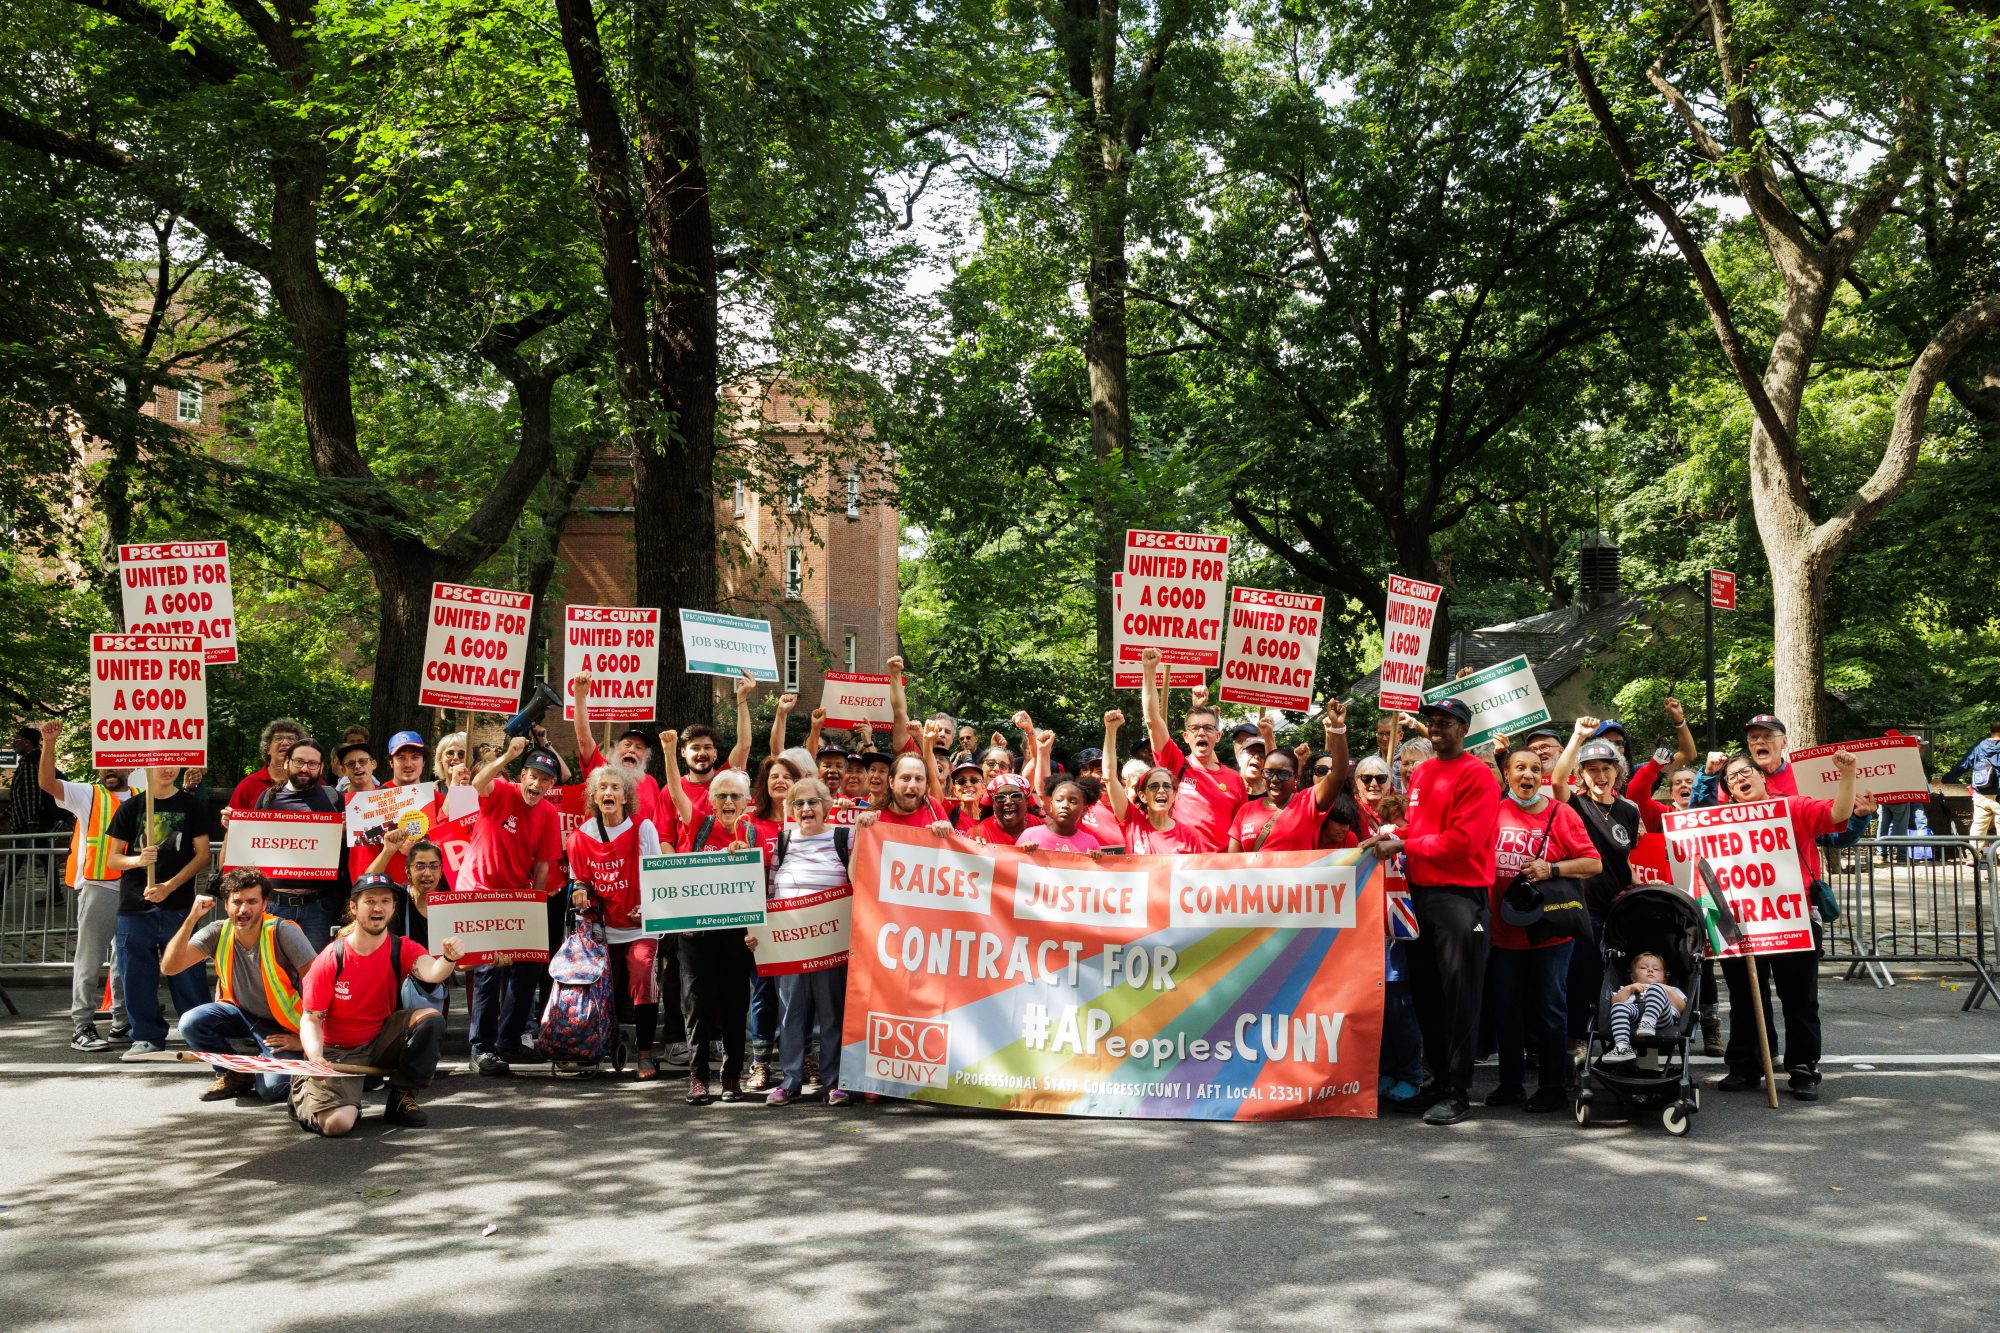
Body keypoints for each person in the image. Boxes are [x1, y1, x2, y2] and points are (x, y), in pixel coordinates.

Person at [1361, 695, 1500, 1126]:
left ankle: (1458, 1090)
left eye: (1446, 722)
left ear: (1464, 728)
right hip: (1420, 895)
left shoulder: (1478, 775)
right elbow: (1425, 831)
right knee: (1427, 993)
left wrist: (1403, 842)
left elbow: (1463, 841)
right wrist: (1392, 833)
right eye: (1432, 721)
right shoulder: (1421, 771)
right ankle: (1438, 1083)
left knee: (1459, 996)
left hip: (1460, 898)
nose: (1437, 727)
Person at [1707, 748, 1855, 1100]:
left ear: (1763, 777)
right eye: (1732, 778)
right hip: (1739, 923)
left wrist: (1847, 775)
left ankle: (1803, 1068)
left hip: (1794, 917)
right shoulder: (1720, 820)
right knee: (1744, 999)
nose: (1740, 779)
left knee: (1799, 999)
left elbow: (1837, 813)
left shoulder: (1793, 806)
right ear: (1728, 791)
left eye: (1746, 772)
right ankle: (1746, 1065)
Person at [292, 874, 462, 1135]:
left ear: (393, 908)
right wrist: (315, 1058)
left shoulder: (402, 947)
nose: (378, 908)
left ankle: (402, 1097)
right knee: (338, 1125)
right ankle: (303, 1092)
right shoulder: (331, 958)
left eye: (385, 901)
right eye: (369, 901)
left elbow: (432, 972)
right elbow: (311, 1018)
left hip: (381, 1041)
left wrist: (448, 959)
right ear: (353, 908)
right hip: (338, 1052)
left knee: (430, 1019)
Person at [1486, 749, 1601, 1112]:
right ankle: (1510, 1085)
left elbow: (1593, 863)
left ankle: (1552, 1087)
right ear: (1506, 775)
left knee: (1551, 1009)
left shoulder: (1561, 813)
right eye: (1520, 768)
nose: (1529, 775)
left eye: (1536, 769)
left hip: (1551, 935)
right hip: (1503, 934)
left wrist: (1551, 870)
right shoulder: (1492, 812)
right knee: (1506, 1011)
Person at [661, 737, 758, 1105]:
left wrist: (744, 851)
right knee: (695, 1004)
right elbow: (673, 790)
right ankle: (698, 1076)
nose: (729, 803)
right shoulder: (699, 823)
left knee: (734, 1005)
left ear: (747, 802)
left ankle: (731, 1075)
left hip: (736, 937)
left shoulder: (753, 833)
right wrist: (671, 752)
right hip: (695, 933)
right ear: (712, 801)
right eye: (722, 797)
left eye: (736, 797)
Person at [163, 869, 316, 1103]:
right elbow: (169, 967)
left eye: (252, 901)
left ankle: (282, 1064)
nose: (244, 909)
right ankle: (235, 1073)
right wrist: (191, 918)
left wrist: (304, 1039)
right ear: (226, 904)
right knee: (190, 1022)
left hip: (284, 1027)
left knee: (272, 1091)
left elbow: (318, 986)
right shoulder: (217, 931)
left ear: (265, 903)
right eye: (237, 902)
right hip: (241, 1014)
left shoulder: (282, 931)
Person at [748, 778, 853, 1106]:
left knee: (832, 1013)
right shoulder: (782, 841)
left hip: (830, 943)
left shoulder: (843, 837)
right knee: (790, 1012)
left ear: (827, 805)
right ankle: (791, 1081)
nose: (806, 809)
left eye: (813, 802)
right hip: (789, 943)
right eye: (799, 804)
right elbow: (768, 892)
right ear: (790, 810)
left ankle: (834, 1082)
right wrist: (757, 934)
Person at [461, 737, 562, 1076]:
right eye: (533, 776)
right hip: (479, 891)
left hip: (517, 897)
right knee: (490, 969)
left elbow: (545, 864)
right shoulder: (502, 791)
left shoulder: (548, 813)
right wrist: (508, 754)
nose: (538, 784)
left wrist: (533, 903)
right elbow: (477, 782)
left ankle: (509, 1040)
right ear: (522, 776)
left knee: (529, 967)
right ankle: (482, 1048)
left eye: (546, 780)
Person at [36, 720, 134, 1051]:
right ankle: (82, 1025)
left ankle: (122, 1021)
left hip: (132, 889)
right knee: (89, 959)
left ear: (129, 766)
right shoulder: (88, 793)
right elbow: (47, 783)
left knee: (125, 959)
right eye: (104, 761)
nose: (109, 768)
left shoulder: (140, 797)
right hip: (98, 887)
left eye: (117, 762)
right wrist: (48, 744)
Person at [566, 763, 667, 1080]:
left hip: (640, 927)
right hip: (602, 931)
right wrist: (580, 892)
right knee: (600, 989)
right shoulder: (580, 837)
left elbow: (658, 876)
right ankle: (601, 1045)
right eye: (603, 788)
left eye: (615, 787)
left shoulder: (643, 829)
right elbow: (578, 882)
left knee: (642, 977)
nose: (608, 792)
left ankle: (646, 1054)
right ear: (594, 796)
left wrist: (649, 905)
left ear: (626, 796)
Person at [106, 765, 215, 1059]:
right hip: (134, 905)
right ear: (148, 767)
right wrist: (139, 861)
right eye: (161, 764)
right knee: (136, 974)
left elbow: (203, 855)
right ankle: (146, 1036)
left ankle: (200, 1034)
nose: (168, 770)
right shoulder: (131, 807)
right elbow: (114, 859)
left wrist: (169, 885)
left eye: (173, 764)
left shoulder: (191, 805)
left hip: (178, 906)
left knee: (188, 972)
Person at [239, 736, 344, 949]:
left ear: (321, 767)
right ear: (287, 762)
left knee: (314, 974)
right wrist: (234, 827)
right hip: (276, 905)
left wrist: (344, 833)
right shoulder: (268, 798)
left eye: (312, 764)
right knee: (273, 972)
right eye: (299, 762)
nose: (305, 768)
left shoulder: (334, 798)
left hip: (319, 908)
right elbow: (252, 845)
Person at [1139, 648, 1246, 851]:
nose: (1201, 733)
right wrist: (1149, 671)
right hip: (1180, 870)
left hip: (1218, 874)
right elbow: (1152, 719)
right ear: (1186, 737)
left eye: (1208, 728)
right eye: (1195, 729)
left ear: (1218, 735)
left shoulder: (1235, 780)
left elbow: (1238, 834)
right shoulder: (1175, 765)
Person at [1102, 700, 1204, 854]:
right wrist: (1110, 731)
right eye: (1154, 786)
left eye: (1167, 786)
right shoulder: (1132, 821)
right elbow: (1109, 777)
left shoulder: (1190, 836)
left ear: (1174, 794)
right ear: (1142, 796)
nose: (1161, 790)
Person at [571, 666, 665, 828]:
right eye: (627, 744)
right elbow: (584, 739)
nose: (632, 750)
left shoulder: (651, 783)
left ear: (646, 757)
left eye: (639, 747)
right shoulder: (601, 771)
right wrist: (580, 696)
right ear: (614, 751)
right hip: (602, 850)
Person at [1601, 952, 1686, 1064]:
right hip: (1635, 1016)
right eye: (1643, 967)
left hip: (1661, 1020)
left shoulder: (1670, 989)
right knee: (1618, 1007)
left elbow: (1682, 1008)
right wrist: (1628, 989)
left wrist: (1667, 990)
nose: (1650, 970)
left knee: (1655, 989)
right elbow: (1613, 1003)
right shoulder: (1627, 989)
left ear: (1665, 978)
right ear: (1633, 977)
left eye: (1656, 969)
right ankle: (1622, 1047)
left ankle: (1649, 1021)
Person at [227, 717, 303, 813]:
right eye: (278, 738)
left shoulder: (313, 783)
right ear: (268, 749)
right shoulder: (248, 785)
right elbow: (233, 822)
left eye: (291, 738)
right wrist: (228, 821)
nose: (285, 742)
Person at [1944, 719, 2000, 837]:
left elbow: (1963, 765)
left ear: (1991, 730)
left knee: (1979, 825)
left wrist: (1945, 780)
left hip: (1982, 792)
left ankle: (1974, 852)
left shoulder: (1980, 745)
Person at [1017, 776, 1103, 852]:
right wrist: (1022, 851)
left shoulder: (1091, 843)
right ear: (1051, 806)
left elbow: (1097, 869)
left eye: (1073, 801)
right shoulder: (1030, 835)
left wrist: (1097, 859)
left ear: (1084, 810)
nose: (1065, 805)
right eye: (1059, 800)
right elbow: (1014, 865)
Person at [972, 773, 1034, 846]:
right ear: (993, 803)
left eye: (1016, 796)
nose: (1008, 802)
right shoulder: (977, 834)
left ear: (1026, 801)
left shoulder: (1040, 826)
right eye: (1000, 797)